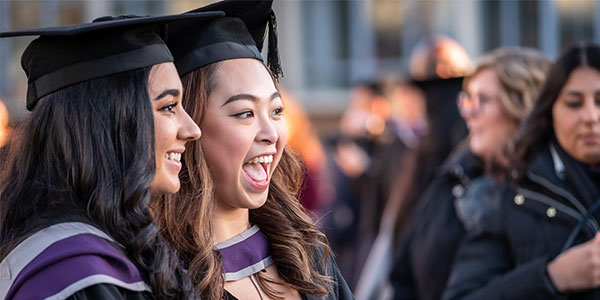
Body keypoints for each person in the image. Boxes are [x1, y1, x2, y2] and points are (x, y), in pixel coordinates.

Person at [0, 12, 221, 299]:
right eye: (169, 106)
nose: (192, 129)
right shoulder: (72, 275)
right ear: (109, 123)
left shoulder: (127, 251)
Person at [152, 1, 354, 299]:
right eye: (245, 113)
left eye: (276, 111)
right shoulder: (158, 278)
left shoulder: (305, 255)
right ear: (189, 127)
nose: (271, 134)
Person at [388, 47, 551, 300]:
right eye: (467, 99)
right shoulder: (454, 174)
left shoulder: (552, 191)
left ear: (523, 105)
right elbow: (402, 273)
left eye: (482, 100)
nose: (468, 111)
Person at [443, 44, 600, 299]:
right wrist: (551, 277)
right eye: (574, 103)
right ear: (550, 110)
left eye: (482, 99)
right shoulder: (512, 194)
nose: (591, 116)